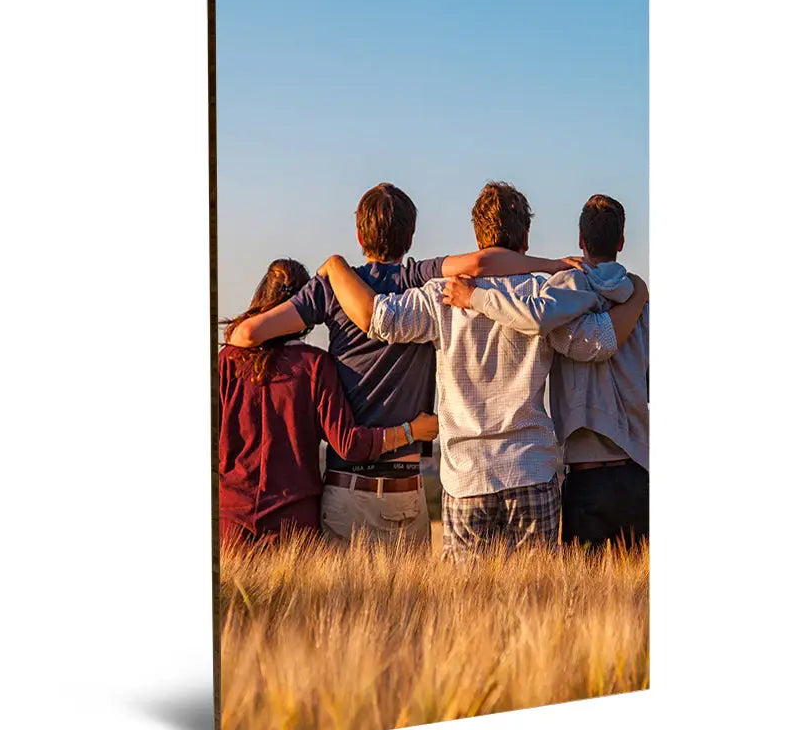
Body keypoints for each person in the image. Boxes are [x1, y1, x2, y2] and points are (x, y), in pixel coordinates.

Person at [227, 183, 579, 547]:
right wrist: (553, 264)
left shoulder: (331, 288)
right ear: (410, 237)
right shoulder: (419, 278)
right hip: (409, 485)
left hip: (348, 485)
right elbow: (479, 262)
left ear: (359, 234)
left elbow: (248, 334)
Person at [317, 182, 647, 558]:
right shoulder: (544, 295)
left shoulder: (441, 294)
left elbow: (379, 319)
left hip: (466, 477)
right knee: (536, 606)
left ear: (478, 237)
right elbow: (597, 343)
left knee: (469, 603)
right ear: (525, 238)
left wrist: (335, 267)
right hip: (531, 469)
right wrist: (636, 293)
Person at [443, 194, 649, 549]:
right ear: (622, 242)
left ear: (581, 241)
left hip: (586, 478)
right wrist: (639, 295)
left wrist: (475, 298)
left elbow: (575, 334)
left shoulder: (563, 295)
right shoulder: (642, 306)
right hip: (640, 473)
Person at [219, 258, 438, 544]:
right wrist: (412, 431)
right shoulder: (314, 366)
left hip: (229, 521)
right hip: (294, 525)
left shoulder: (225, 363)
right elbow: (349, 444)